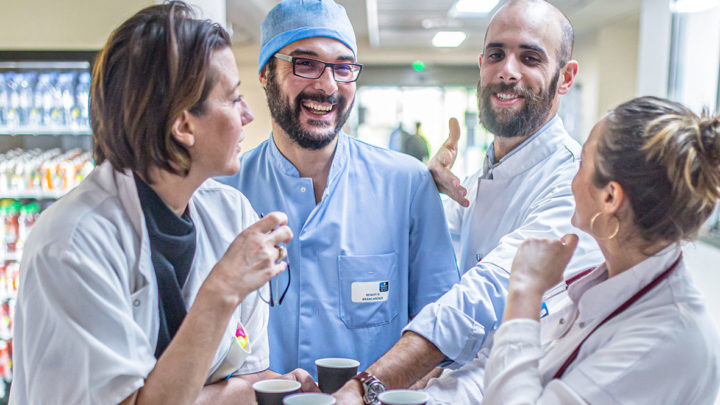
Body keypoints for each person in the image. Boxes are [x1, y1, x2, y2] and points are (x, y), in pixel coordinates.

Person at [9, 3, 315, 404]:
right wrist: (221, 289)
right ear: (184, 125)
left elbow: (251, 377)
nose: (246, 116)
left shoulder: (232, 214)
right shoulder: (73, 244)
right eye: (234, 98)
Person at [335, 0, 603, 402]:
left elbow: (482, 294)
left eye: (529, 58)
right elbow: (430, 258)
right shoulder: (480, 178)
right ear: (481, 65)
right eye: (496, 54)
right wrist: (422, 193)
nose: (507, 70)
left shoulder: (573, 182)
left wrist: (369, 385)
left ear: (565, 77)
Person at [217, 0, 459, 378]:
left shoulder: (407, 186)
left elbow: (442, 331)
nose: (327, 85)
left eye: (343, 67)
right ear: (265, 72)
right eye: (306, 63)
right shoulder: (220, 195)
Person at [429, 96, 720, 404]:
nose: (571, 178)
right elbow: (499, 369)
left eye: (581, 163)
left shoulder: (665, 343)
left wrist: (525, 292)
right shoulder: (601, 279)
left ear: (610, 198)